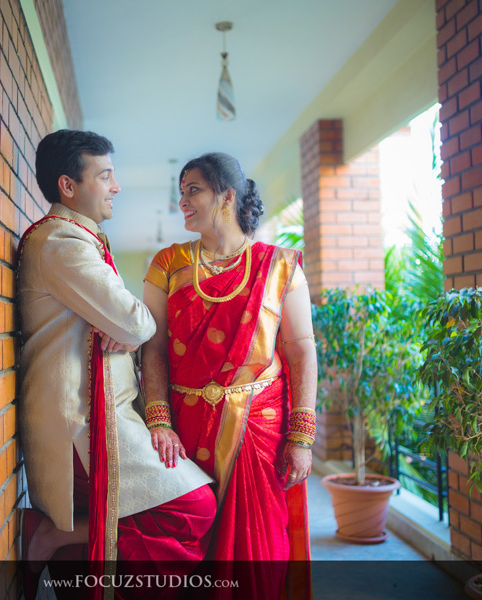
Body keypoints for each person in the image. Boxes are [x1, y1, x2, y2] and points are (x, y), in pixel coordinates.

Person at [17, 130, 216, 599]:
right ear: (68, 186)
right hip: (79, 420)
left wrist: (127, 334)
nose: (116, 186)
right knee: (193, 506)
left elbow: (127, 327)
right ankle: (52, 535)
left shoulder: (80, 240)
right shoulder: (61, 242)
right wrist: (131, 333)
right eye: (105, 175)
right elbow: (136, 321)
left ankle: (57, 538)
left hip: (103, 412)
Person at [141, 152, 317, 599]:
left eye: (193, 190)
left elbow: (301, 350)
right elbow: (153, 347)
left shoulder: (280, 266)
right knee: (189, 547)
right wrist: (158, 419)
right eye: (181, 192)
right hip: (183, 430)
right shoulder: (168, 263)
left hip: (259, 430)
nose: (182, 201)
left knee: (257, 554)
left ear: (227, 196)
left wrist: (302, 436)